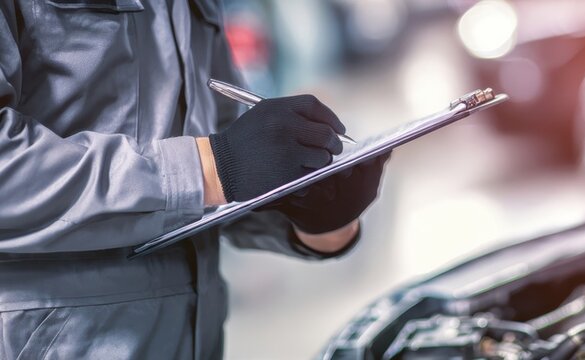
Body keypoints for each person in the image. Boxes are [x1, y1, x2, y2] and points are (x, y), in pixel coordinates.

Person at [0, 0, 388, 358]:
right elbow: (210, 165)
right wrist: (211, 167)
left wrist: (315, 214)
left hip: (194, 337)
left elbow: (218, 144)